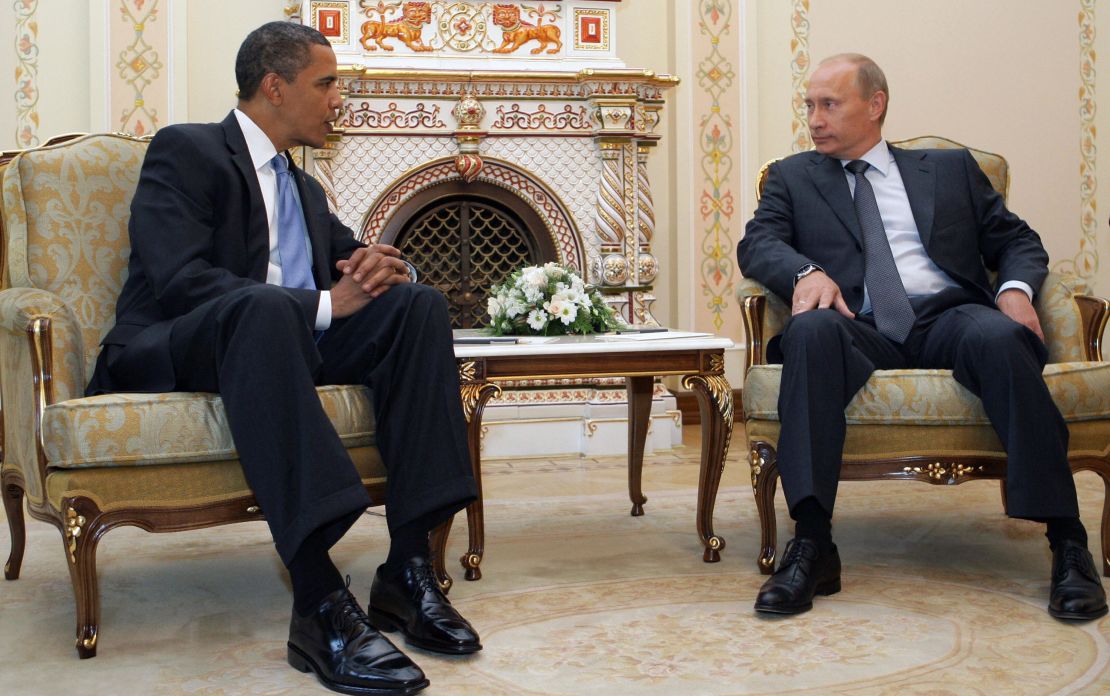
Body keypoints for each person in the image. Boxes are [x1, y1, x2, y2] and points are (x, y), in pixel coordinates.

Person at [87, 21, 480, 695]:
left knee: (418, 308)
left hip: (281, 340)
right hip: (185, 342)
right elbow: (180, 280)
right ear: (275, 85)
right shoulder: (189, 150)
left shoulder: (301, 187)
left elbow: (350, 258)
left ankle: (407, 571)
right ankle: (319, 598)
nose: (338, 101)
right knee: (268, 307)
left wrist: (389, 266)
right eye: (326, 84)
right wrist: (328, 307)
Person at [737, 53, 1107, 621]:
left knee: (1000, 338)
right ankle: (813, 543)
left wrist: (1012, 289)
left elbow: (1018, 240)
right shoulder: (794, 177)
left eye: (829, 104)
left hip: (948, 317)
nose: (814, 119)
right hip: (854, 324)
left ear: (875, 104)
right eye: (809, 105)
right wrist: (806, 273)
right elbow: (758, 244)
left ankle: (1067, 542)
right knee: (809, 333)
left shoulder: (950, 170)